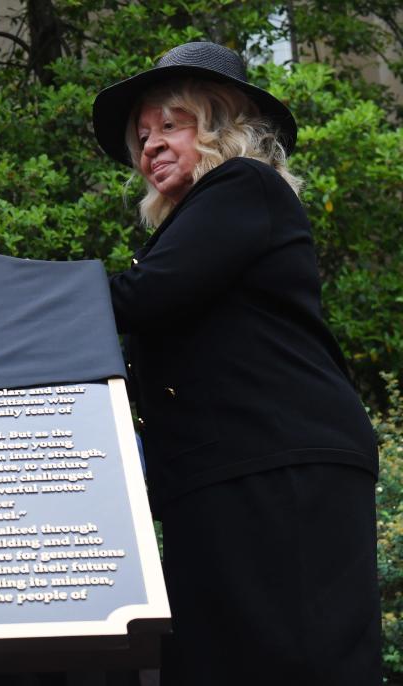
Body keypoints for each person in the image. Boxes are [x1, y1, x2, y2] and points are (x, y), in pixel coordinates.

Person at [92, 42, 381, 685]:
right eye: (143, 135)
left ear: (222, 125)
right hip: (223, 471)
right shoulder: (195, 225)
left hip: (280, 463)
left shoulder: (243, 187)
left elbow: (138, 298)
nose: (151, 146)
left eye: (173, 124)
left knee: (296, 657)